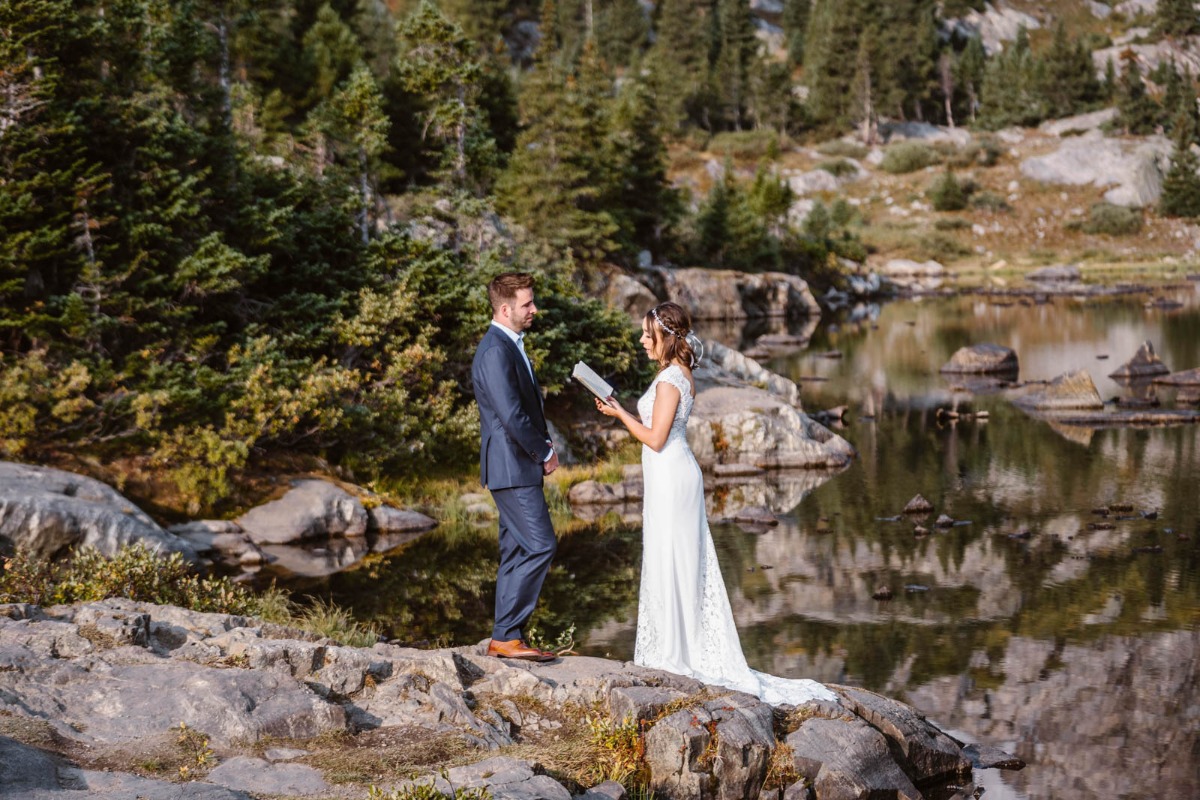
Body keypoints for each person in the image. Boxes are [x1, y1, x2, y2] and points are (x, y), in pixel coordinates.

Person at [594, 302, 836, 705]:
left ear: (665, 338)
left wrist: (619, 412)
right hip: (666, 475)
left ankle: (677, 653)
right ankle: (674, 646)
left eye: (646, 334)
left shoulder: (672, 379)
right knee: (667, 556)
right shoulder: (671, 374)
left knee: (675, 557)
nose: (641, 340)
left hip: (673, 475)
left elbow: (655, 438)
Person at [471, 272, 559, 663]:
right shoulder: (495, 350)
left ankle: (506, 636)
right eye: (527, 304)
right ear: (505, 309)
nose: (534, 309)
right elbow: (510, 414)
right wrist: (544, 451)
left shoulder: (509, 345)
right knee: (541, 545)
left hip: (514, 467)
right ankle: (507, 635)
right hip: (511, 466)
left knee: (516, 550)